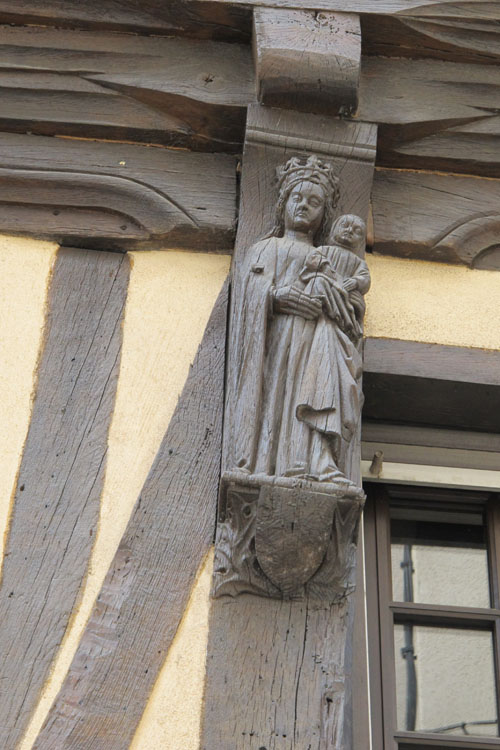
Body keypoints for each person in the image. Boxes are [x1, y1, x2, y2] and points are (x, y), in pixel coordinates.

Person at [224, 155, 367, 484]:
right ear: (283, 203)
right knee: (278, 393)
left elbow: (353, 304)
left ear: (325, 214)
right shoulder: (265, 248)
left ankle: (315, 461)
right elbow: (249, 295)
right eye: (297, 198)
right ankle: (266, 463)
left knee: (317, 390)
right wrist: (277, 298)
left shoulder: (328, 257)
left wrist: (336, 299)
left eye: (315, 201)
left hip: (318, 341)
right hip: (276, 341)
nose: (304, 205)